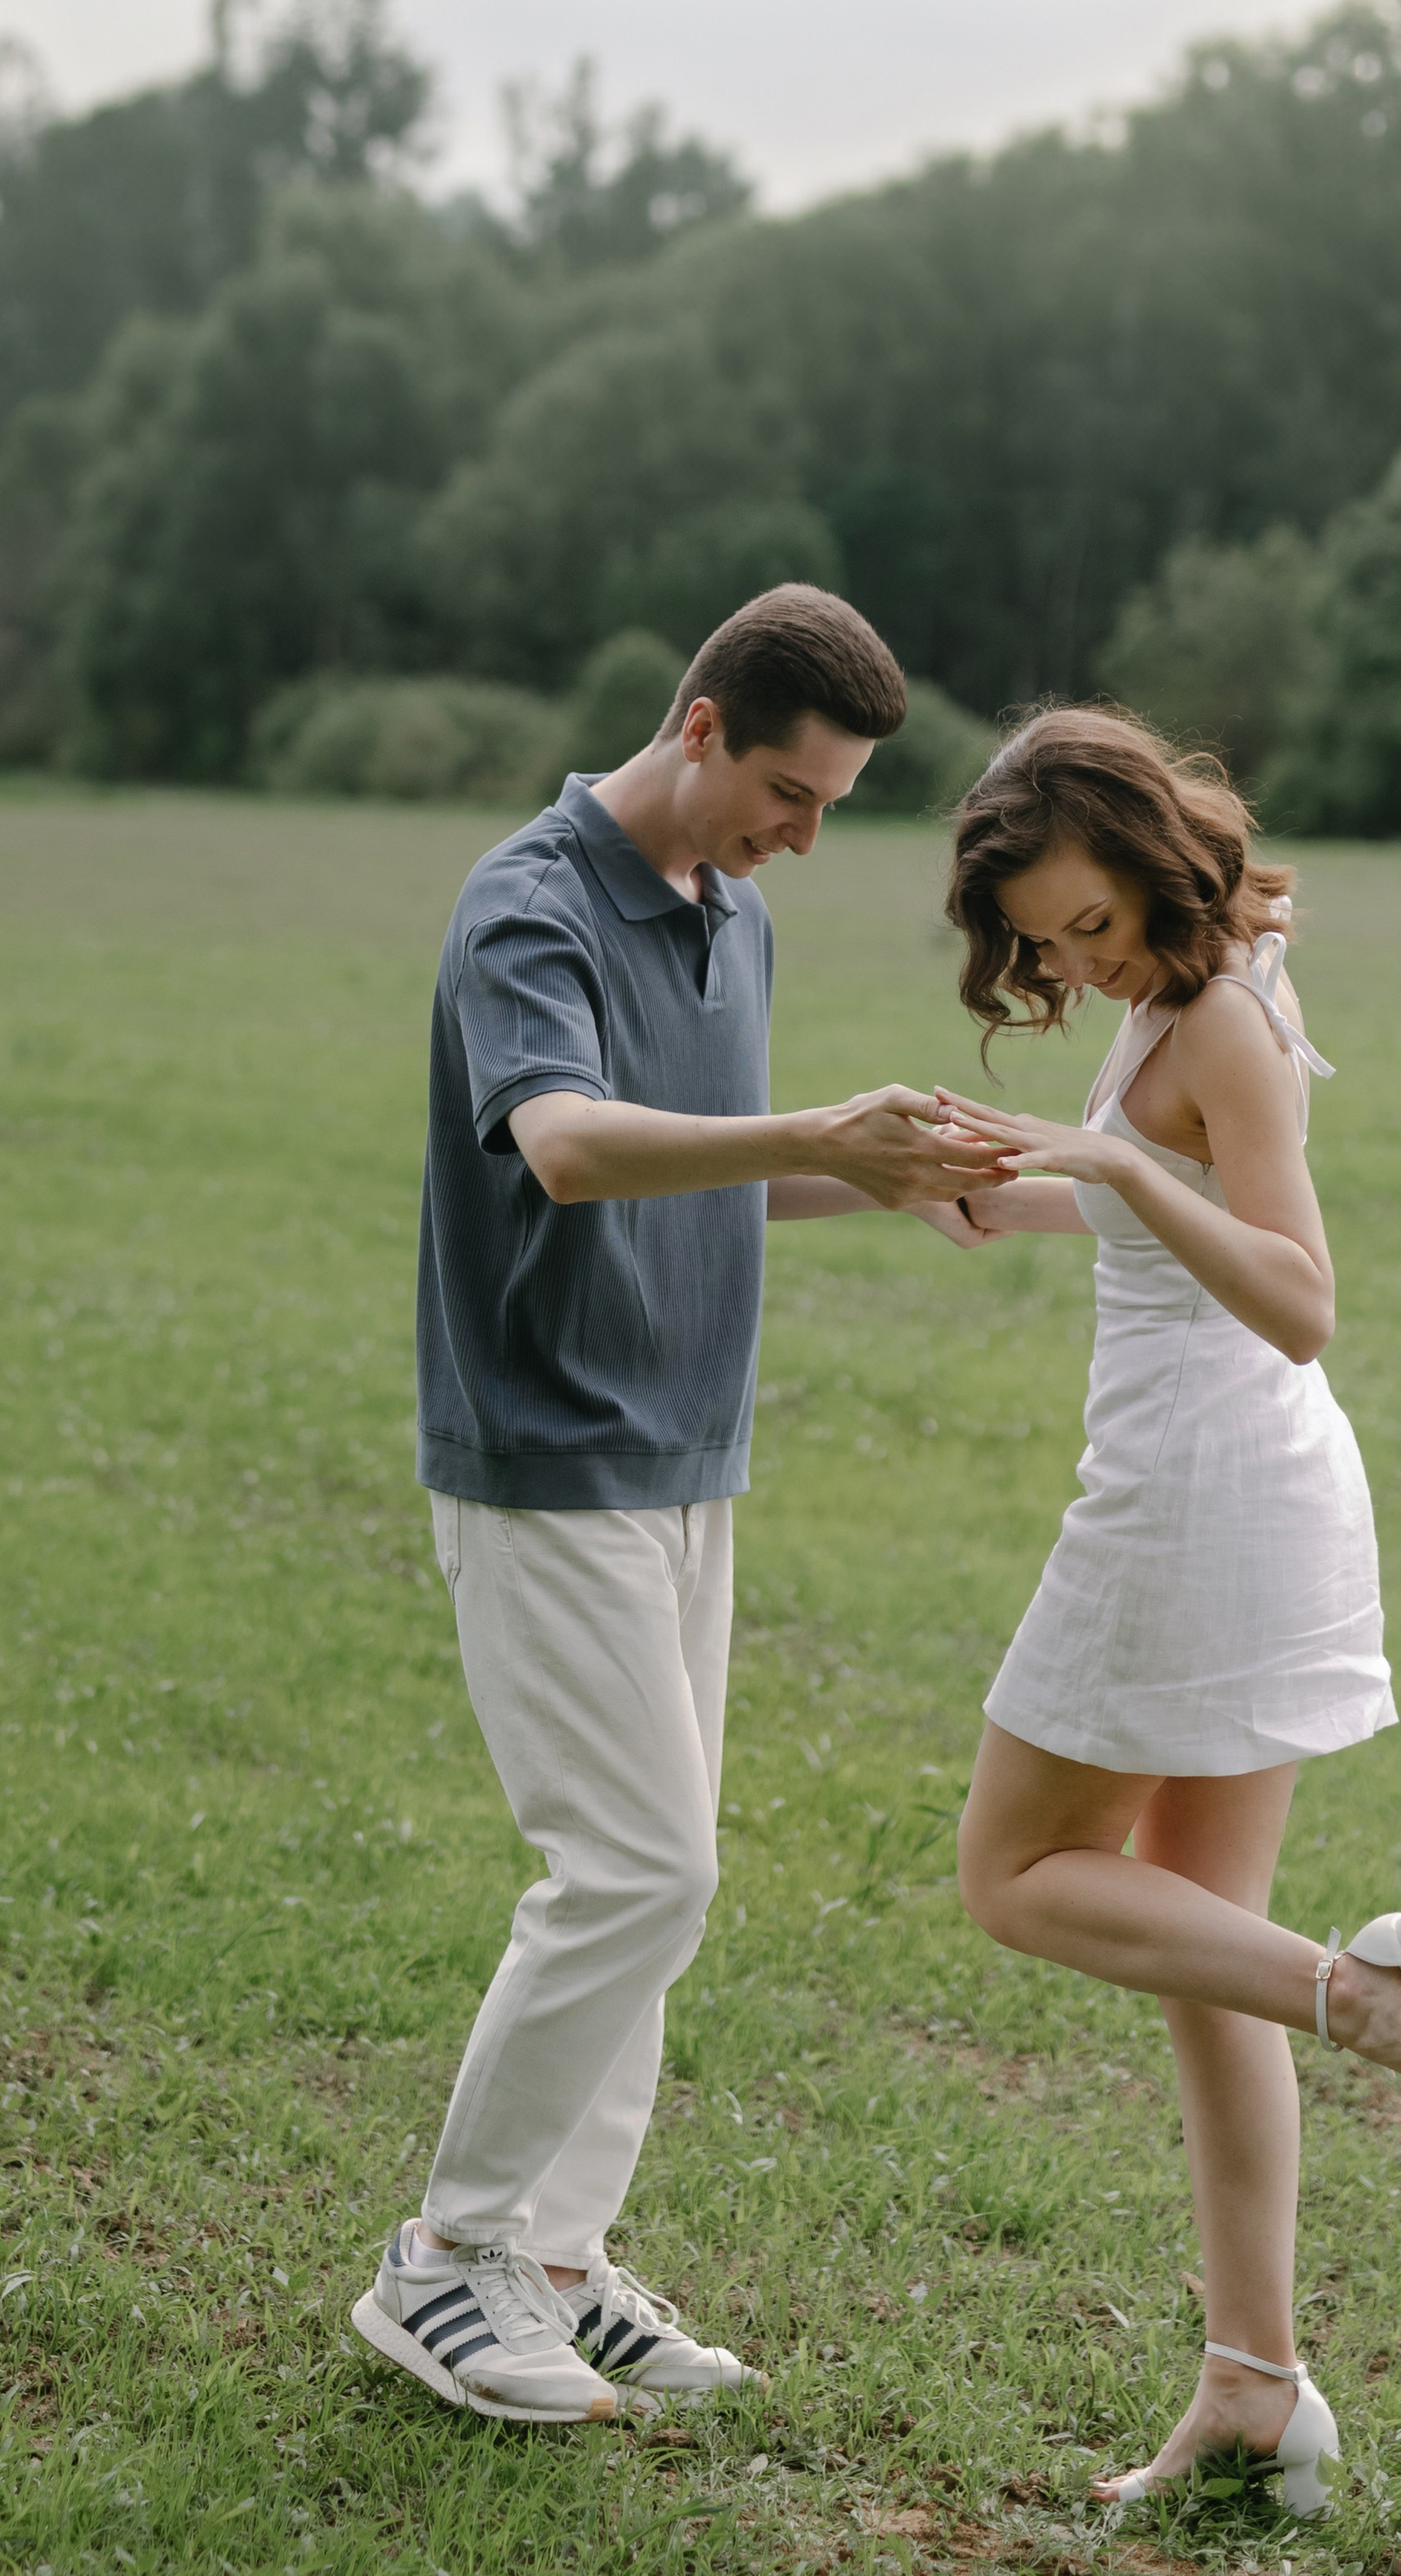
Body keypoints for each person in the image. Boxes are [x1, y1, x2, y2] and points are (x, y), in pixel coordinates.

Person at [352, 585, 1011, 2426]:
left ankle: (557, 2263)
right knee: (639, 1869)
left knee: (656, 1889)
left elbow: (705, 1174)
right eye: (790, 795)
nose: (802, 838)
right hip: (548, 1454)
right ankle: (443, 2260)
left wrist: (884, 1178)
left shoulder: (736, 919)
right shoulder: (530, 901)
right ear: (702, 724)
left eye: (829, 810)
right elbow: (568, 1148)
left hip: (687, 1460)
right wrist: (814, 1132)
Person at [930, 705, 1401, 2513]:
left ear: (1149, 860)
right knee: (1200, 1957)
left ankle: (1365, 1993)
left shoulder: (1211, 1014)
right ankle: (1254, 2387)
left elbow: (1296, 1295)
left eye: (1089, 924)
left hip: (1191, 1506)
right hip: (1244, 1500)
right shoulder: (1208, 978)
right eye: (1044, 945)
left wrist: (1115, 1165)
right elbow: (1179, 1206)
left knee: (1013, 1877)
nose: (1075, 964)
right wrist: (1035, 1195)